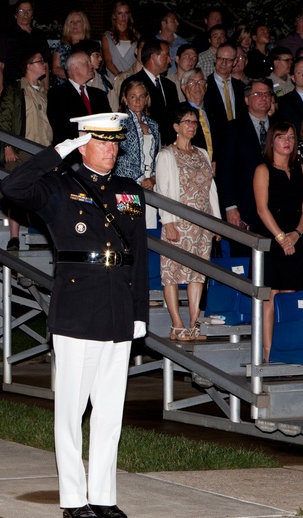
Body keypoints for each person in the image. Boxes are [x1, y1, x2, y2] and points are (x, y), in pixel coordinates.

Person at [0, 112, 148, 518]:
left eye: (115, 142)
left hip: (118, 305)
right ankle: (73, 496)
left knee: (109, 412)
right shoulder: (58, 186)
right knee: (70, 410)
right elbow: (12, 186)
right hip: (77, 309)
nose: (112, 149)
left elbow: (138, 254)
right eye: (102, 142)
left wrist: (139, 312)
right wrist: (56, 152)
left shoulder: (128, 191)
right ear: (83, 144)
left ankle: (102, 494)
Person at [156, 104, 220, 341]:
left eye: (194, 122)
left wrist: (216, 222)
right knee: (171, 273)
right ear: (176, 126)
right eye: (187, 122)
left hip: (202, 223)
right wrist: (168, 222)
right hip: (178, 222)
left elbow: (210, 188)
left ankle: (194, 323)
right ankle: (177, 323)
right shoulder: (166, 155)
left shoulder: (202, 153)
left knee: (198, 274)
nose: (192, 126)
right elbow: (162, 191)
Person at [253, 122, 303, 361]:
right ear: (272, 141)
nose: (287, 141)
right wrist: (280, 238)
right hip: (270, 239)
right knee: (270, 296)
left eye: (291, 136)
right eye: (281, 137)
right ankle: (267, 355)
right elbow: (261, 208)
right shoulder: (263, 169)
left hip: (295, 238)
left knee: (290, 297)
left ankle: (288, 351)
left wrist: (296, 234)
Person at [0, 51, 54, 249]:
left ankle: (41, 236)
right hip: (20, 149)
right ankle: (14, 237)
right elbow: (4, 117)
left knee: (42, 193)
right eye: (40, 61)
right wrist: (8, 145)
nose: (44, 64)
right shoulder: (14, 88)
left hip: (43, 149)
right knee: (15, 192)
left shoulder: (46, 92)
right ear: (29, 66)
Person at [216, 78, 274, 246]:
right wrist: (230, 206)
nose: (263, 98)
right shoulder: (233, 128)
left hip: (274, 206)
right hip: (244, 206)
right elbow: (225, 171)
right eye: (257, 94)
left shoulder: (280, 127)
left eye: (267, 94)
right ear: (247, 99)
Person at [122, 37, 179, 144]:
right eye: (166, 56)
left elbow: (174, 116)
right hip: (144, 143)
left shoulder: (170, 86)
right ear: (153, 57)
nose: (169, 60)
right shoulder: (133, 83)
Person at [49, 49, 111, 143]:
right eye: (87, 63)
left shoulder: (99, 95)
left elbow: (108, 123)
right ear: (74, 68)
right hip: (73, 152)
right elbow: (61, 127)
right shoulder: (57, 94)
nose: (91, 66)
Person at [0, 1, 51, 100]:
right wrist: (0, 91)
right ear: (15, 14)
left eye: (28, 11)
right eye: (21, 10)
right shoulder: (7, 35)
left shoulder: (40, 35)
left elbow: (45, 64)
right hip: (14, 87)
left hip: (37, 86)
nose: (25, 14)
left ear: (32, 14)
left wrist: (46, 89)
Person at [116, 79, 160, 192]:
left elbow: (158, 156)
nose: (137, 101)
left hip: (151, 183)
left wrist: (153, 178)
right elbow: (121, 157)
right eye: (133, 96)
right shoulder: (121, 123)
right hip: (128, 183)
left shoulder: (153, 125)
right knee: (131, 210)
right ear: (125, 100)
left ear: (146, 99)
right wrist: (141, 179)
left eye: (141, 96)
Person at [181, 68, 214, 161]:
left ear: (206, 86)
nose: (197, 86)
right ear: (183, 88)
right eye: (192, 83)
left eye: (201, 82)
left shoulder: (216, 111)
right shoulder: (178, 113)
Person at [101, 1, 139, 80]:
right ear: (114, 16)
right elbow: (108, 62)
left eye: (126, 13)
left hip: (133, 79)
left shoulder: (137, 37)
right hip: (114, 79)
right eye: (120, 13)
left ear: (129, 15)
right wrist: (122, 78)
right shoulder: (107, 37)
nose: (123, 16)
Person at [52, 10, 90, 84]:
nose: (75, 24)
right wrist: (74, 75)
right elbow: (55, 69)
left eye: (78, 21)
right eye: (71, 22)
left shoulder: (90, 46)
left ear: (84, 24)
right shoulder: (60, 46)